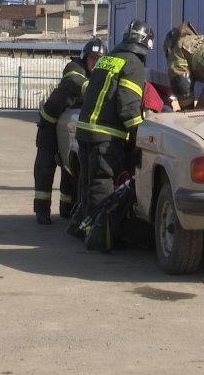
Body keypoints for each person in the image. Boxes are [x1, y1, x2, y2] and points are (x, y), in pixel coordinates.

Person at [75, 19, 152, 229]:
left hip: (85, 132)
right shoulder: (133, 63)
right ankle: (98, 232)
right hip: (106, 137)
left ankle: (84, 225)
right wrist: (138, 133)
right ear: (147, 44)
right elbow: (128, 104)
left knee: (88, 181)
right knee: (102, 182)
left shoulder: (106, 59)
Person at [33, 38, 107, 225]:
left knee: (70, 169)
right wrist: (90, 88)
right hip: (51, 122)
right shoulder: (74, 67)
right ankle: (42, 210)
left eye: (100, 58)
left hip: (69, 124)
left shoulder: (102, 75)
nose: (96, 62)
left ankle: (66, 209)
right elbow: (74, 81)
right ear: (84, 57)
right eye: (92, 58)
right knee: (45, 165)